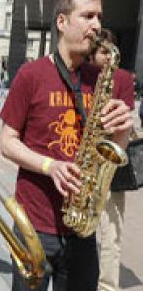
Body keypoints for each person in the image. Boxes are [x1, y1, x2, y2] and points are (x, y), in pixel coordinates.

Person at [0, 0, 134, 291]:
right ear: (62, 22)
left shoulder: (107, 79)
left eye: (99, 16)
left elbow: (117, 151)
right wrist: (51, 166)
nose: (97, 25)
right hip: (34, 226)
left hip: (83, 230)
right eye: (87, 16)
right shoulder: (31, 74)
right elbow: (7, 142)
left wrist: (123, 128)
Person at [89, 28, 130, 291]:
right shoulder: (81, 75)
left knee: (111, 234)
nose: (107, 57)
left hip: (109, 166)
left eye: (111, 52)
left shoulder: (122, 78)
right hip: (84, 161)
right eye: (103, 51)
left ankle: (107, 287)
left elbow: (124, 126)